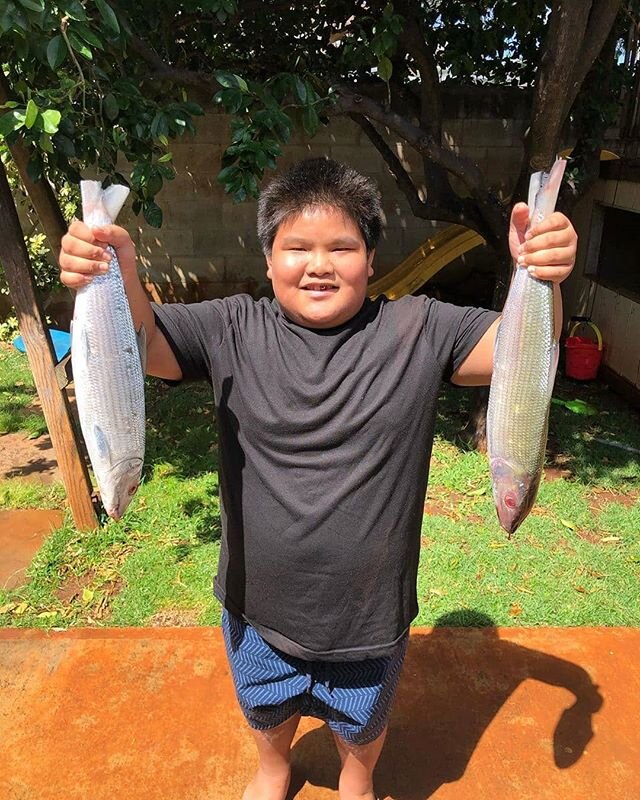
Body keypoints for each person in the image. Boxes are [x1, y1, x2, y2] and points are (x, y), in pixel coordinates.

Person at [59, 157, 577, 800]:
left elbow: (520, 353)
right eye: (296, 247)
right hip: (257, 605)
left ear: (370, 255)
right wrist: (116, 270)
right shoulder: (231, 327)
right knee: (265, 709)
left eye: (343, 247)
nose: (319, 264)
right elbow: (146, 347)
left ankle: (357, 780)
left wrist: (543, 275)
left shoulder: (421, 327)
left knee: (363, 725)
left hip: (370, 614)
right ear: (269, 258)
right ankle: (274, 769)